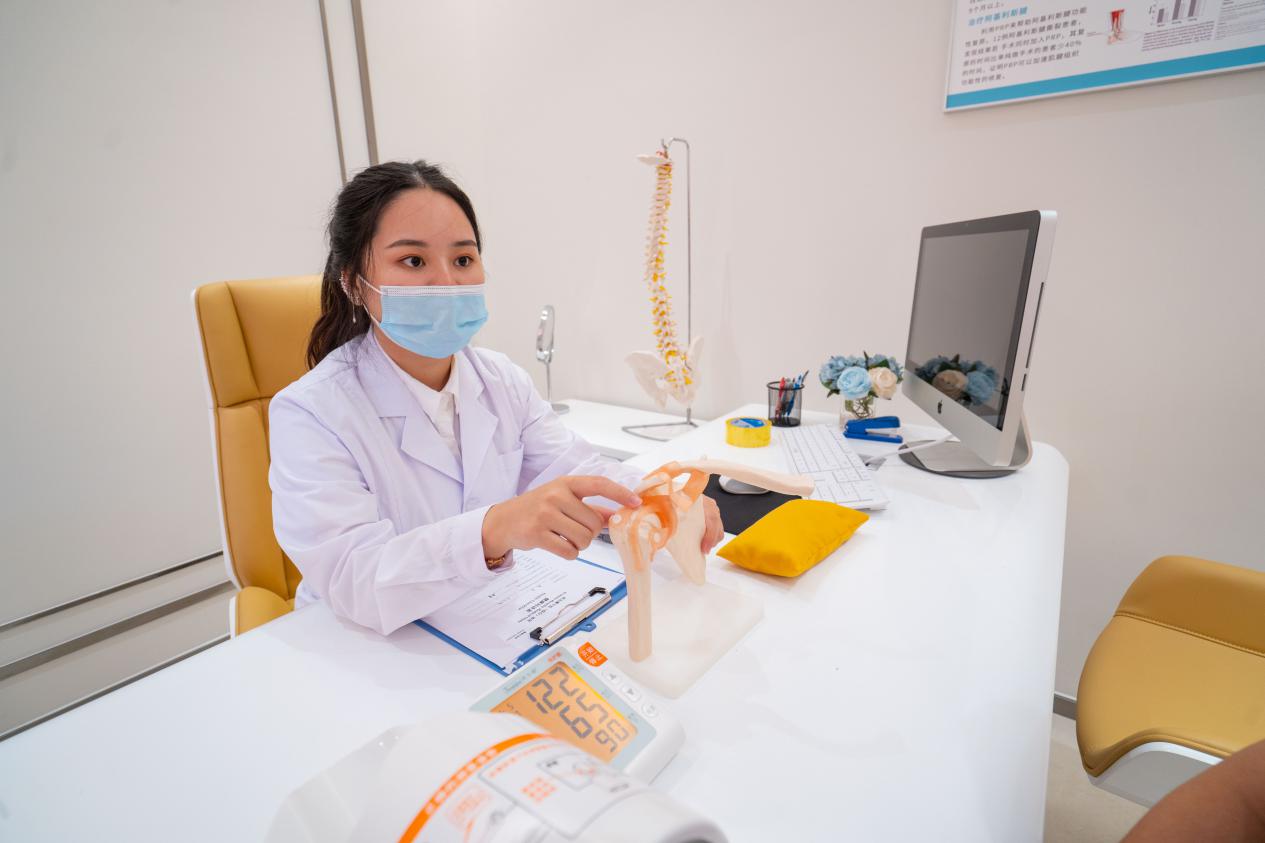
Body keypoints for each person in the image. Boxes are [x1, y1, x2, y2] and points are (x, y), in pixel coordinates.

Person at [268, 160, 723, 635]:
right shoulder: (311, 412)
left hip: (484, 620)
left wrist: (661, 497)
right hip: (361, 645)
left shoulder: (500, 379)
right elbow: (355, 580)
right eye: (414, 261)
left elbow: (576, 470)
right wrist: (494, 529)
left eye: (463, 260)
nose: (447, 282)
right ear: (352, 282)